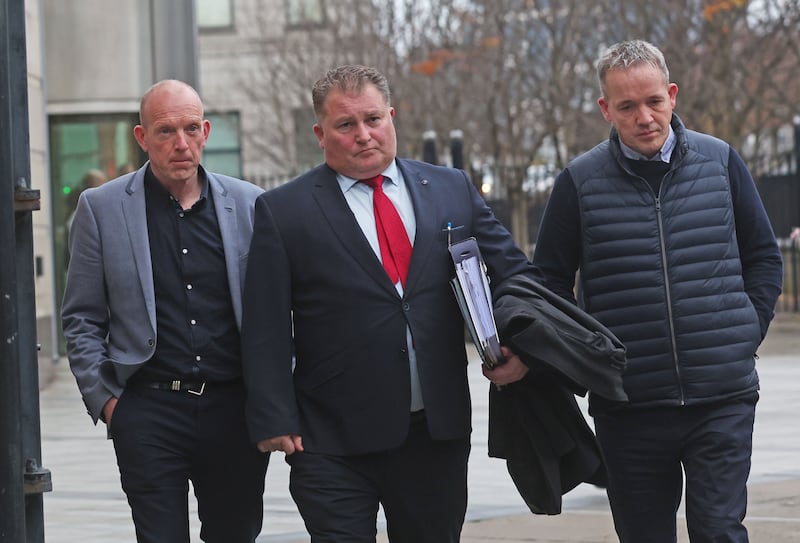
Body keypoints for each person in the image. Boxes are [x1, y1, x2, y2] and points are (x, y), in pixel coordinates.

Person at [240, 64, 535, 542]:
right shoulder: (283, 210)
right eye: (345, 125)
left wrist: (521, 345)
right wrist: (274, 415)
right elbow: (265, 324)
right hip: (330, 439)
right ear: (320, 133)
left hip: (434, 433)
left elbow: (514, 273)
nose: (363, 135)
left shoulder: (450, 189)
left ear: (392, 116)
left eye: (373, 119)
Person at [527, 40, 783, 541]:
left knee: (718, 530)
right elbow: (550, 284)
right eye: (626, 106)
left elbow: (764, 256)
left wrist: (743, 333)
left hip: (722, 398)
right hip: (630, 408)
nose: (644, 116)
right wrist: (591, 356)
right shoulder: (579, 182)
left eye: (653, 101)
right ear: (606, 108)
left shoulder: (721, 161)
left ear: (672, 95)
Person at [61, 79, 268, 543]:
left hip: (234, 410)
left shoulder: (251, 205)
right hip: (148, 410)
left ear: (206, 131)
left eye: (191, 129)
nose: (181, 143)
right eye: (166, 131)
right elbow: (82, 317)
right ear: (141, 137)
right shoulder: (101, 208)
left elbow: (279, 311)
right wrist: (110, 404)